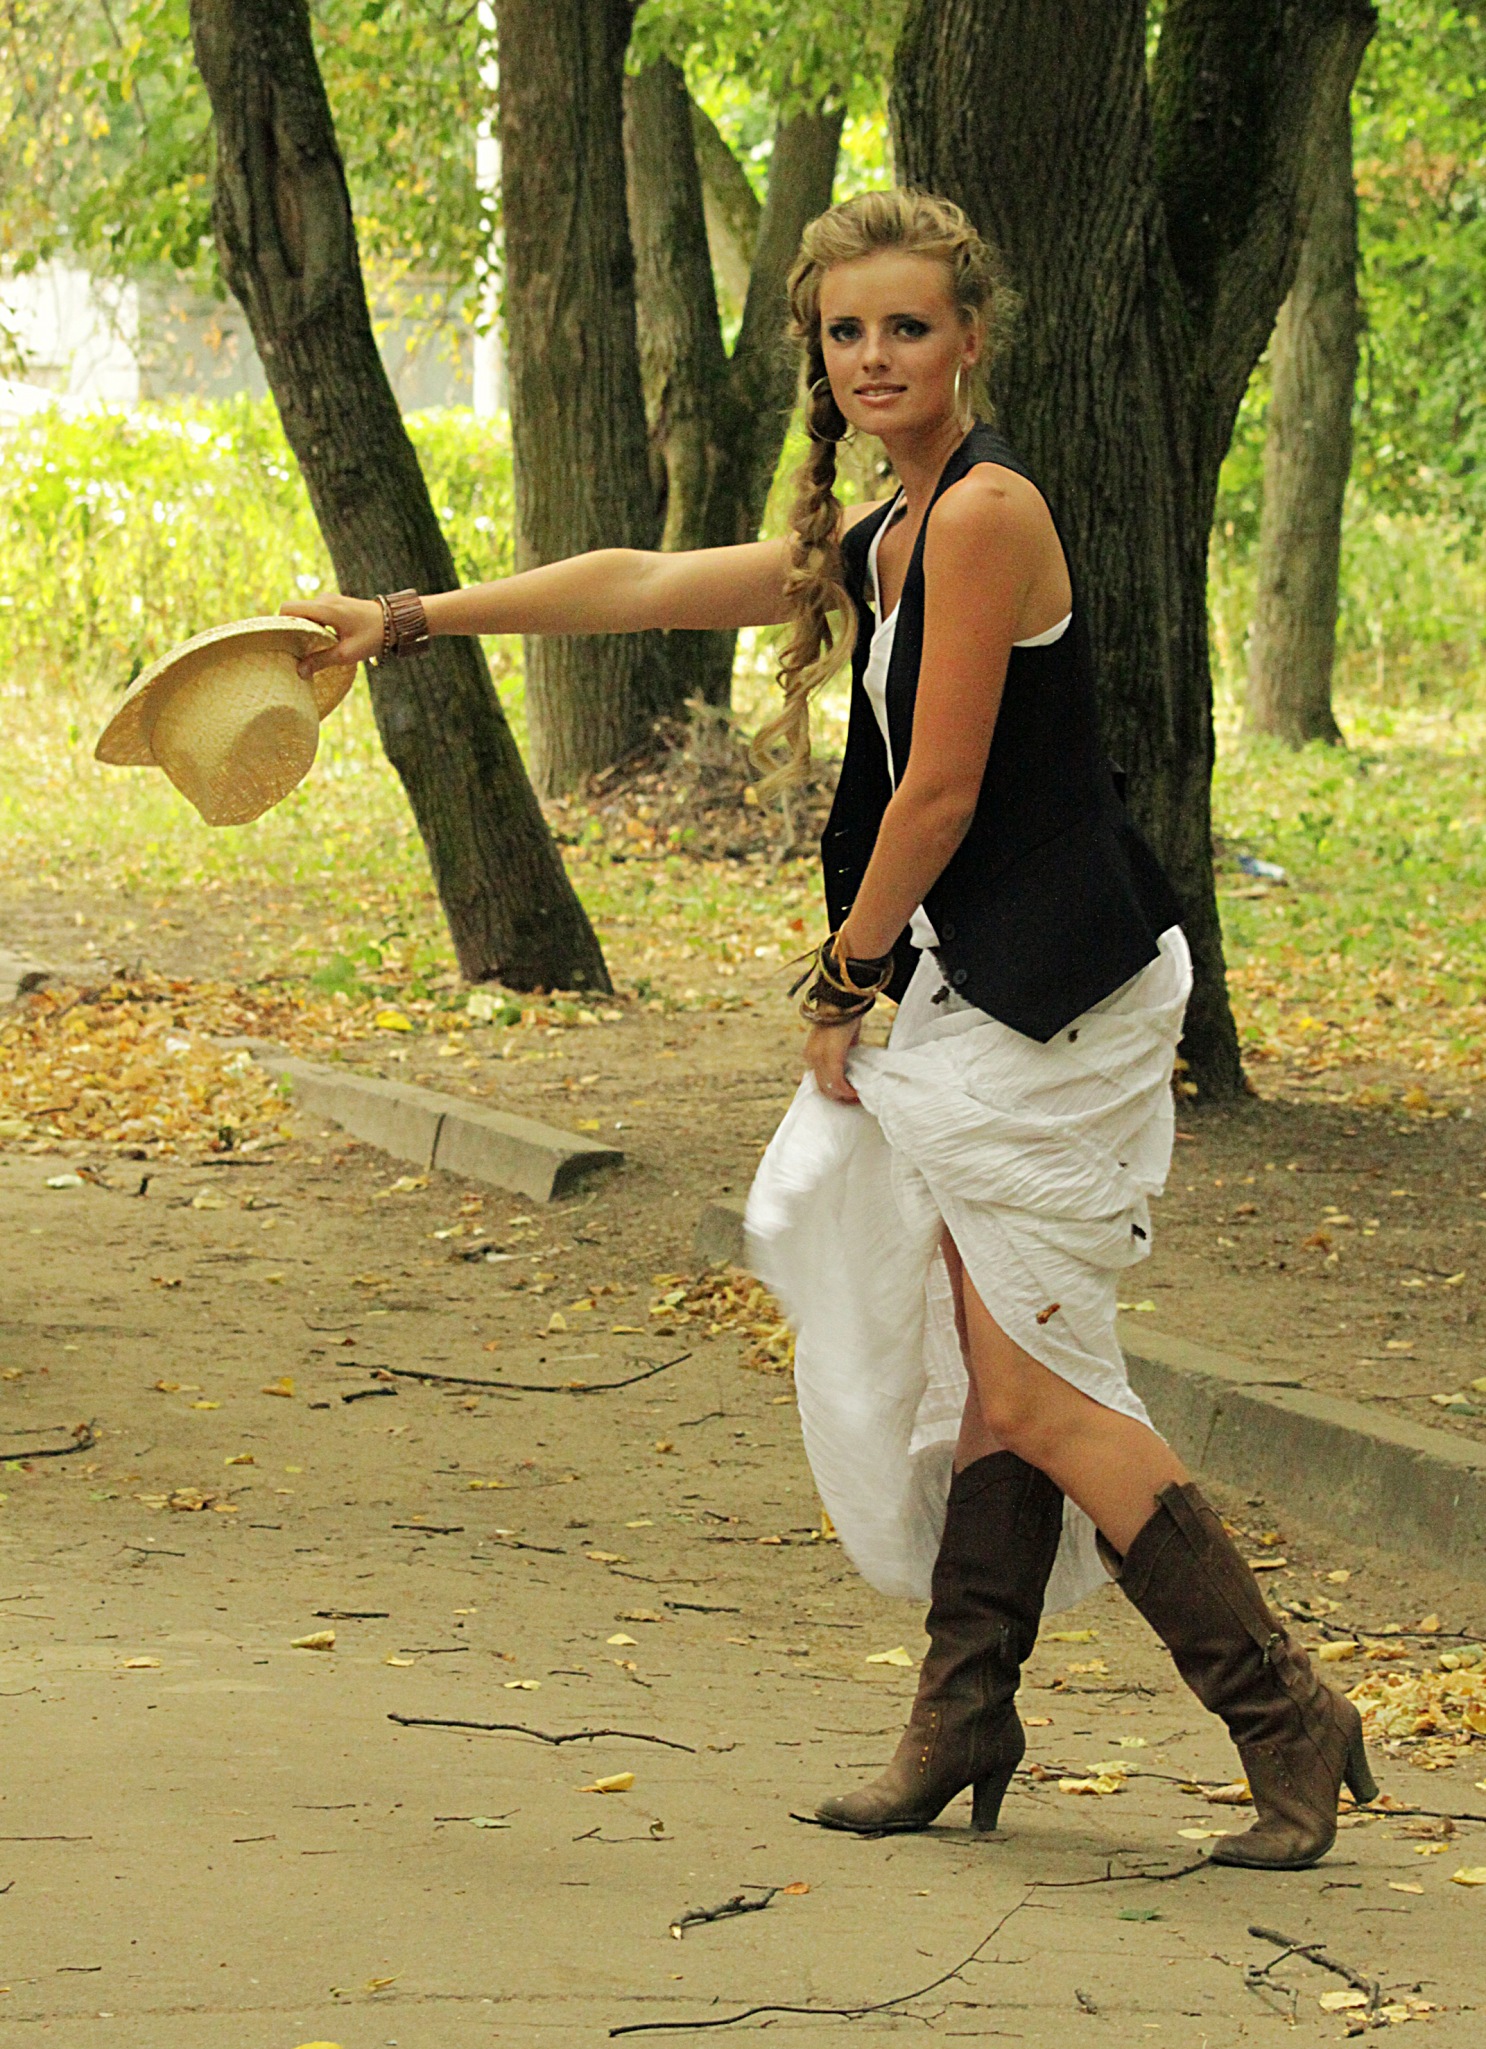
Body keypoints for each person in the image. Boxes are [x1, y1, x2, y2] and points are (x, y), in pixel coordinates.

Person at [285, 188, 1376, 1872]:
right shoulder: (890, 527)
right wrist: (406, 618)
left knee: (1036, 1386)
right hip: (978, 986)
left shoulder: (985, 513)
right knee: (987, 1369)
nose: (874, 356)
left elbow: (938, 791)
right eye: (845, 330)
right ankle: (965, 1714)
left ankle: (1281, 1708)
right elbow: (648, 582)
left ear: (968, 340)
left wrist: (843, 979)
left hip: (1051, 998)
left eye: (906, 327)